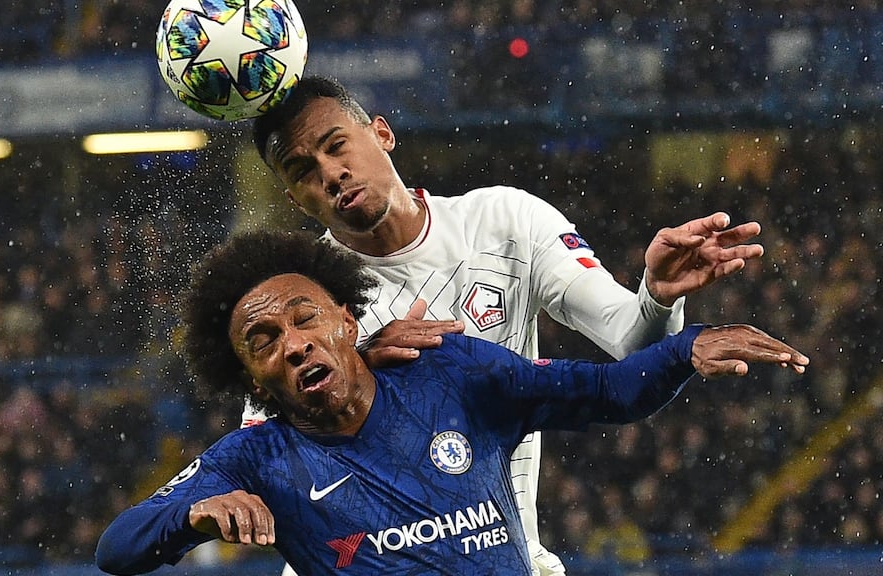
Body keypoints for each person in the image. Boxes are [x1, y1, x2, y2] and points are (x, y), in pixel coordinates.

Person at [245, 76, 766, 574]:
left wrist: (656, 297)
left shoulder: (505, 223)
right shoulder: (298, 303)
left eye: (337, 146)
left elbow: (633, 344)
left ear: (382, 133)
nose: (330, 173)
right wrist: (356, 371)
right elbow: (264, 478)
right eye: (302, 171)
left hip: (499, 559)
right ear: (296, 199)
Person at [95, 230, 808, 575]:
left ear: (348, 321)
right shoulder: (254, 459)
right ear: (253, 380)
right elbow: (115, 548)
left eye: (305, 319)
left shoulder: (452, 373)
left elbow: (606, 392)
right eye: (264, 341)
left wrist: (686, 348)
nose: (293, 343)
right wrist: (189, 515)